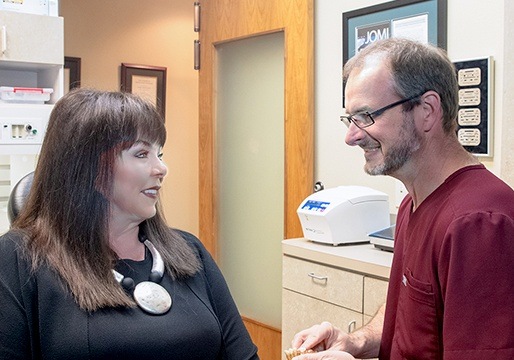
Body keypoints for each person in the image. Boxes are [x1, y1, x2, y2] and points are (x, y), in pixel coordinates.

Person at [289, 38, 514, 359]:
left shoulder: (479, 222)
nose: (351, 136)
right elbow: (410, 319)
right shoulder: (414, 202)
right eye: (350, 119)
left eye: (366, 115)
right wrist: (356, 342)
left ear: (427, 111)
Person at [0, 89, 259, 360]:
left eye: (159, 153)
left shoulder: (189, 251)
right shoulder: (19, 259)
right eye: (141, 154)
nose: (161, 168)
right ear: (89, 167)